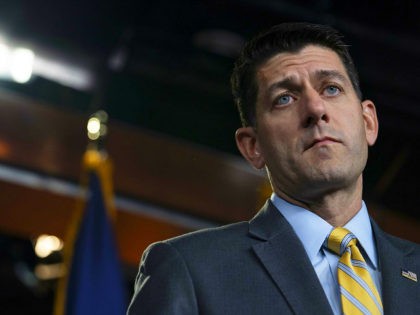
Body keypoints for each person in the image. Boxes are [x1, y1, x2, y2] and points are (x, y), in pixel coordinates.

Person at [127, 22, 420, 315]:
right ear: (253, 146)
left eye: (331, 88)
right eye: (285, 99)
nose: (316, 109)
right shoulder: (188, 270)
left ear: (368, 122)